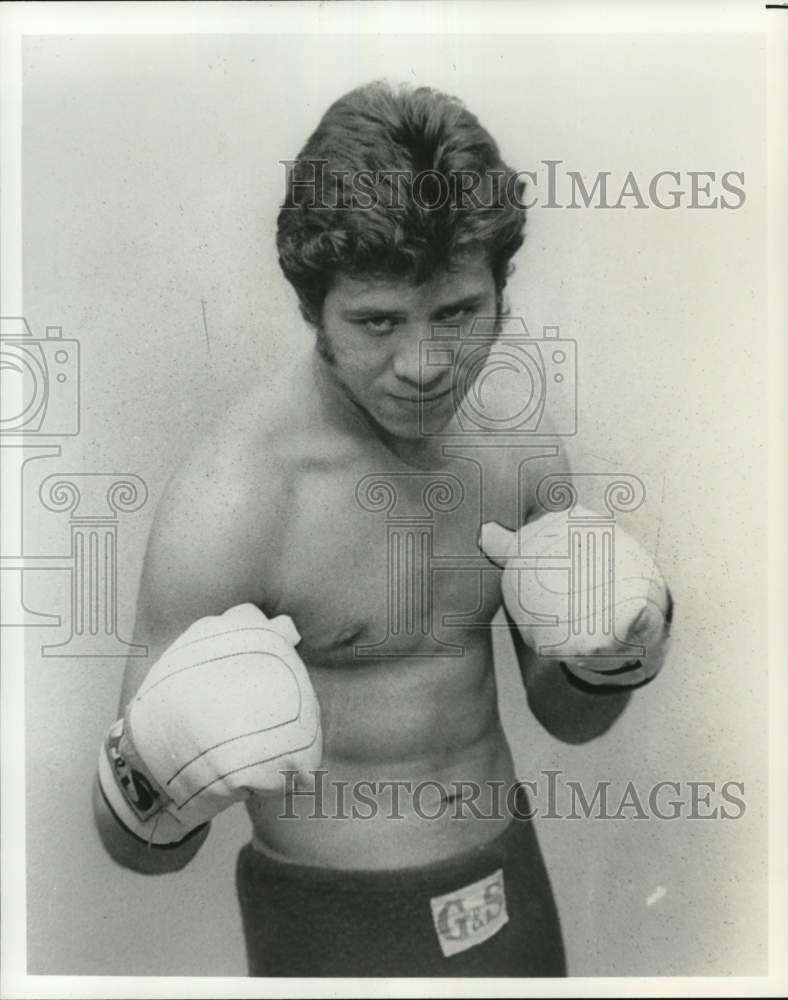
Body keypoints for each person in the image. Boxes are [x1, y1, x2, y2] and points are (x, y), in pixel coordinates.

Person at [94, 81, 673, 977]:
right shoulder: (239, 495)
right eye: (377, 323)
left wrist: (611, 659)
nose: (424, 367)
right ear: (314, 310)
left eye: (456, 314)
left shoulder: (516, 444)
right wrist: (164, 767)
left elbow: (569, 722)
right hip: (328, 925)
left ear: (499, 291)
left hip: (507, 882)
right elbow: (132, 843)